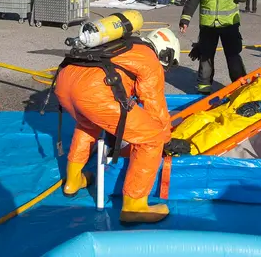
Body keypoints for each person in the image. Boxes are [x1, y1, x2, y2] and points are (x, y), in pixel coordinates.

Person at [54, 28, 181, 223]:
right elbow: (154, 104)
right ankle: (134, 206)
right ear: (166, 53)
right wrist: (165, 139)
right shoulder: (150, 59)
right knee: (151, 138)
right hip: (92, 92)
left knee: (88, 125)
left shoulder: (127, 44)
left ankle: (73, 182)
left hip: (64, 82)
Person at [179, 0, 249, 94]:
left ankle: (241, 86)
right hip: (208, 27)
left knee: (233, 56)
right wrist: (185, 19)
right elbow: (193, 0)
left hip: (229, 25)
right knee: (206, 56)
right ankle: (204, 89)